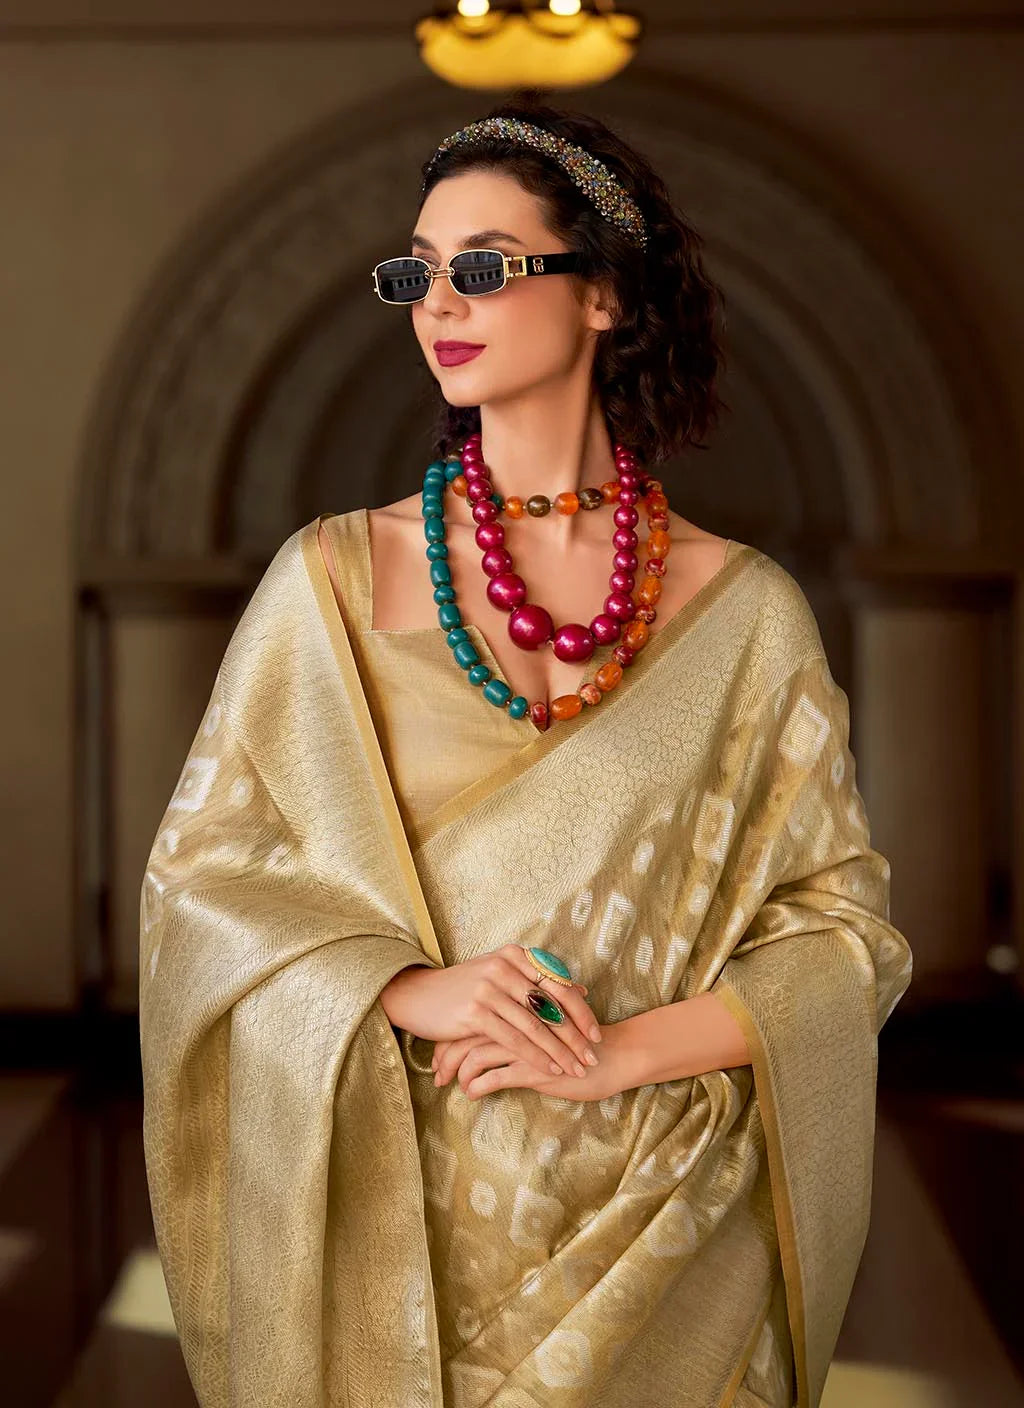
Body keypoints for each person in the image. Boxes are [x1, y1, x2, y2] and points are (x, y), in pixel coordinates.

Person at [138, 94, 913, 1408]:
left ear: (604, 294)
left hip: (672, 1231)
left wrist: (625, 1055)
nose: (439, 303)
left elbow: (842, 934)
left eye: (486, 268)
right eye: (417, 274)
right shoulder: (333, 585)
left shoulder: (745, 616)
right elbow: (205, 882)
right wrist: (402, 987)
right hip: (407, 1231)